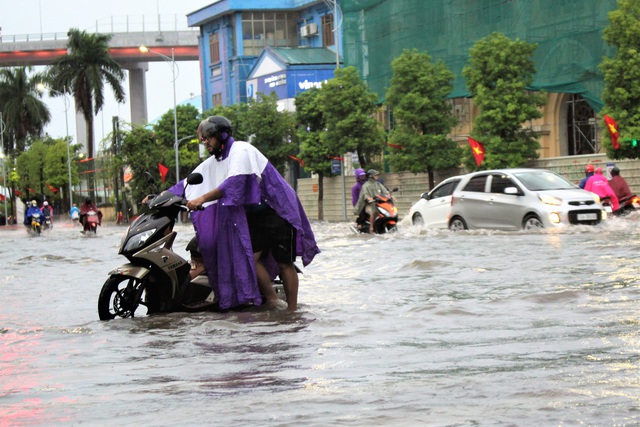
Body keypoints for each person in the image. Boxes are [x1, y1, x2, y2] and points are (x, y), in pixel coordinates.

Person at [180, 116, 320, 311]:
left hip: (276, 211)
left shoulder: (241, 150)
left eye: (208, 138)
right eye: (203, 139)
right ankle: (272, 299)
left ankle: (292, 311)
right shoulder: (217, 160)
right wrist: (160, 196)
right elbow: (188, 183)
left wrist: (202, 199)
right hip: (254, 217)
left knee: (284, 263)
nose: (206, 143)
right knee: (250, 259)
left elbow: (233, 184)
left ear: (221, 135)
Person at [353, 169, 391, 233]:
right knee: (372, 212)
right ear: (371, 176)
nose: (377, 176)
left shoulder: (378, 184)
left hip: (378, 203)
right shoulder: (364, 185)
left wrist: (389, 195)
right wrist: (368, 198)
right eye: (375, 175)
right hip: (367, 203)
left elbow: (384, 191)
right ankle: (371, 227)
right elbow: (364, 194)